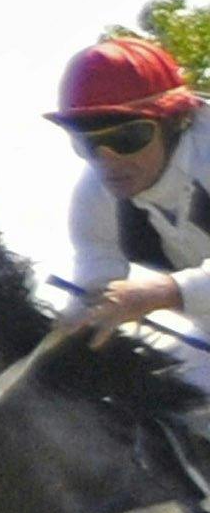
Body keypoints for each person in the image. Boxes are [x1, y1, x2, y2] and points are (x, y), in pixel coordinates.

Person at [56, 32, 210, 333]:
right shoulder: (94, 195)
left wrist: (163, 292)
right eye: (88, 143)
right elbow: (94, 283)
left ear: (178, 121)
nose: (109, 161)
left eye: (128, 137)